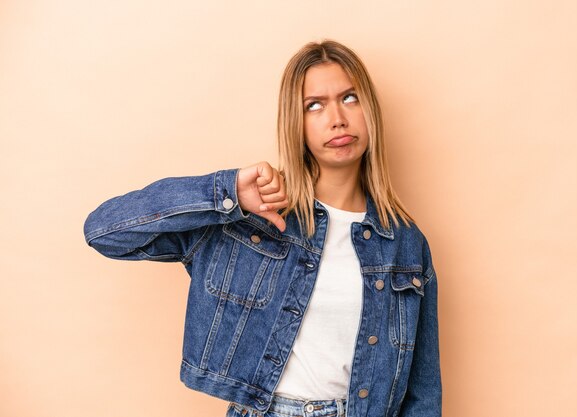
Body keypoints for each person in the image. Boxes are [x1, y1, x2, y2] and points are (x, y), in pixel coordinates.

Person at [84, 40, 441, 417]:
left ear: (369, 110)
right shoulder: (253, 217)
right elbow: (105, 231)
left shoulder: (404, 243)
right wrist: (226, 192)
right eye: (314, 105)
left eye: (349, 98)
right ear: (295, 122)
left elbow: (423, 393)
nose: (337, 117)